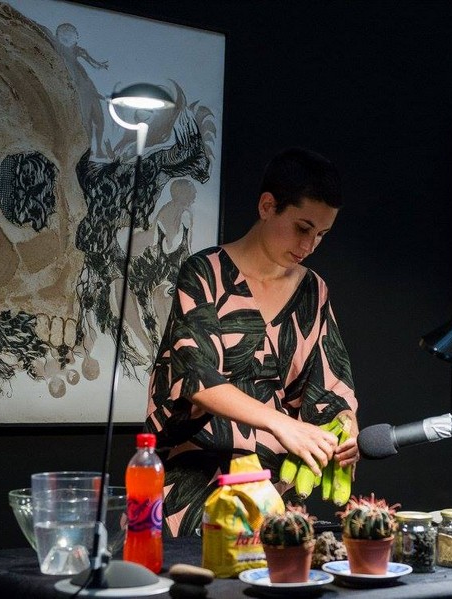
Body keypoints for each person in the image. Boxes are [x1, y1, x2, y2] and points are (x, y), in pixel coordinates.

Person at [145, 147, 360, 537]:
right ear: (267, 206)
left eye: (322, 235)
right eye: (303, 228)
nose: (310, 245)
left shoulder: (314, 290)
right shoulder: (204, 273)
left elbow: (331, 388)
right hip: (195, 492)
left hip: (271, 497)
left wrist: (346, 429)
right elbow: (197, 378)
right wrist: (282, 424)